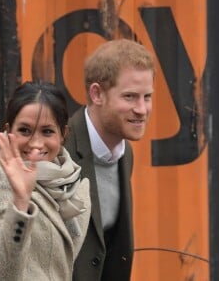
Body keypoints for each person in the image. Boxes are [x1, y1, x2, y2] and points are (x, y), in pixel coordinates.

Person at [0, 81, 91, 280]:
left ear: (63, 134)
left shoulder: (71, 187)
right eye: (25, 130)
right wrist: (20, 204)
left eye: (47, 131)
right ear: (9, 131)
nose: (36, 144)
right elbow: (0, 276)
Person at [65, 38, 155, 280]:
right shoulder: (58, 150)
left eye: (147, 97)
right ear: (97, 94)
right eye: (130, 97)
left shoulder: (125, 154)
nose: (142, 109)